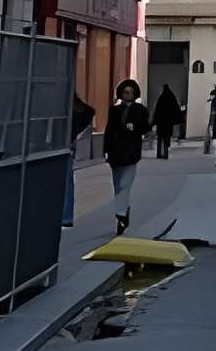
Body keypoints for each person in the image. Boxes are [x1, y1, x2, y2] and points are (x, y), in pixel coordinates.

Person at [104, 78, 150, 235]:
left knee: (125, 186)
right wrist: (106, 150)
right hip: (115, 154)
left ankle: (121, 216)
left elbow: (145, 128)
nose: (127, 94)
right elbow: (108, 131)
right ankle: (124, 210)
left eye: (130, 92)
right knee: (118, 187)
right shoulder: (114, 110)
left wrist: (134, 128)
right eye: (125, 92)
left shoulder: (141, 110)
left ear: (135, 94)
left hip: (131, 154)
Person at [62, 89, 94, 228]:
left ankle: (66, 216)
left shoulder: (67, 103)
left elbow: (89, 111)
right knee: (67, 181)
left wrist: (72, 132)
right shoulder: (72, 104)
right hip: (66, 145)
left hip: (63, 146)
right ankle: (66, 216)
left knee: (66, 181)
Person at [151, 82, 183, 160]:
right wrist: (177, 119)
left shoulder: (161, 98)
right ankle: (166, 153)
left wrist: (154, 122)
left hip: (161, 122)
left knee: (160, 137)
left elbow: (157, 111)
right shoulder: (172, 97)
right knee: (167, 137)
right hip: (168, 122)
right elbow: (176, 109)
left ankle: (159, 153)